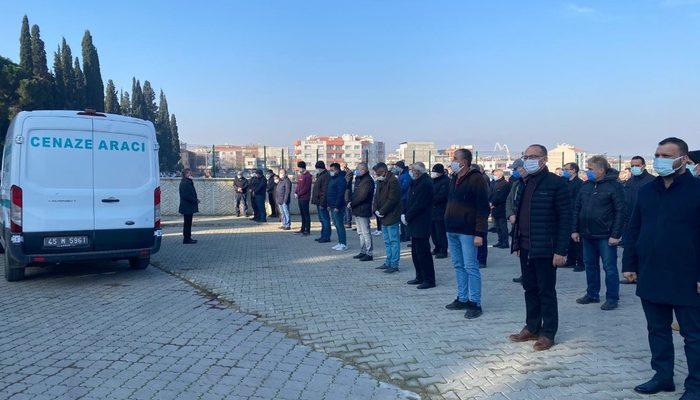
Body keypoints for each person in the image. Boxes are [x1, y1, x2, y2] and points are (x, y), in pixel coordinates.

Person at [622, 137, 700, 399]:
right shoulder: (646, 191)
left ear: (683, 159)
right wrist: (629, 263)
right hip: (651, 272)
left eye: (666, 156)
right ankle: (663, 376)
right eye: (657, 155)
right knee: (657, 329)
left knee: (693, 335)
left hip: (687, 275)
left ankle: (696, 385)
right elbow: (634, 228)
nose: (660, 160)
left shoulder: (697, 190)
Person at [508, 144, 571, 352]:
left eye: (533, 156)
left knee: (546, 291)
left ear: (544, 159)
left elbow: (565, 219)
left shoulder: (556, 183)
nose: (528, 160)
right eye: (526, 156)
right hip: (526, 246)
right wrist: (516, 242)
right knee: (530, 288)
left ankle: (548, 332)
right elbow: (520, 215)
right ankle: (532, 326)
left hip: (546, 247)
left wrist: (561, 250)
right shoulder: (524, 182)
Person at [571, 156, 627, 311]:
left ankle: (612, 298)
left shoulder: (614, 186)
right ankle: (592, 294)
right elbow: (577, 209)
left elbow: (621, 211)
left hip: (606, 235)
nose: (587, 172)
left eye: (590, 169)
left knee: (609, 267)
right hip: (587, 234)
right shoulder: (586, 186)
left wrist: (615, 234)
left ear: (601, 170)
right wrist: (575, 229)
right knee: (590, 265)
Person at [444, 149, 490, 319]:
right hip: (452, 229)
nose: (452, 161)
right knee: (458, 265)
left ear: (464, 162)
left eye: (455, 158)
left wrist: (480, 232)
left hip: (468, 231)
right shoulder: (454, 177)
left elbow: (482, 207)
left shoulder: (476, 178)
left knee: (471, 266)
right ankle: (462, 298)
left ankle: (475, 302)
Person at [402, 162, 436, 289]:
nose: (410, 172)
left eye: (412, 170)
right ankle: (419, 276)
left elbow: (419, 204)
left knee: (423, 252)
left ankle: (429, 279)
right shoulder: (415, 182)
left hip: (421, 221)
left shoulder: (425, 183)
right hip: (414, 221)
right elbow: (410, 200)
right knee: (415, 252)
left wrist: (408, 216)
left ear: (418, 171)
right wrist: (405, 214)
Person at [373, 163, 402, 273]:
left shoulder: (393, 181)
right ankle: (388, 261)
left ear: (384, 171)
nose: (377, 176)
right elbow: (376, 196)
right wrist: (375, 209)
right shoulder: (380, 181)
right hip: (382, 215)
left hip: (391, 215)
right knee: (387, 241)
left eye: (378, 174)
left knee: (393, 240)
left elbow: (392, 200)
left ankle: (394, 264)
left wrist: (382, 211)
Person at [350, 163, 375, 261]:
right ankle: (363, 251)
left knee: (366, 232)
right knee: (360, 232)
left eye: (358, 169)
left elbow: (362, 196)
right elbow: (355, 193)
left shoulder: (367, 181)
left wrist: (352, 204)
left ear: (363, 170)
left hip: (363, 209)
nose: (356, 171)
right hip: (357, 209)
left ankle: (369, 253)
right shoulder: (359, 179)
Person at [506, 159, 526, 283]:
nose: (513, 172)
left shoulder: (529, 183)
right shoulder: (516, 183)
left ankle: (528, 275)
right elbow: (509, 200)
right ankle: (524, 273)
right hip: (516, 222)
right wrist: (510, 214)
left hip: (527, 222)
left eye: (515, 169)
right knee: (520, 249)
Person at [562, 162, 584, 271]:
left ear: (574, 170)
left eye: (567, 169)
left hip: (575, 214)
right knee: (569, 239)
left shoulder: (579, 183)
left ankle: (580, 262)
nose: (564, 171)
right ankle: (570, 260)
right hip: (566, 214)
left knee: (577, 240)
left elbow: (577, 201)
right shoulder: (565, 182)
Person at [326, 163, 348, 251]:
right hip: (332, 205)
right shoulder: (333, 179)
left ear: (337, 170)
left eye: (332, 170)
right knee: (336, 224)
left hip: (337, 206)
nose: (330, 172)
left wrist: (337, 206)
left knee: (340, 225)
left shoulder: (341, 179)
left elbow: (340, 194)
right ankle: (340, 242)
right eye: (330, 170)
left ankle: (343, 244)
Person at [430, 164, 449, 259]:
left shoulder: (445, 181)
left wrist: (430, 199)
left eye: (435, 172)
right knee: (433, 232)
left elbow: (443, 196)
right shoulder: (433, 180)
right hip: (432, 211)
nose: (433, 173)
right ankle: (437, 247)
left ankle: (443, 250)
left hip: (441, 210)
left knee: (440, 232)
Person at [489, 169, 511, 249]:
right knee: (497, 227)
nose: (493, 176)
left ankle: (505, 243)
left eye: (495, 174)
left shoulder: (505, 184)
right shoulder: (495, 183)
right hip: (495, 209)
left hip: (501, 209)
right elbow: (492, 194)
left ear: (500, 175)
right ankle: (500, 241)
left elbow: (501, 197)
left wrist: (493, 203)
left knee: (503, 227)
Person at [474, 164, 490, 268]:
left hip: (480, 216)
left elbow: (483, 203)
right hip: (473, 216)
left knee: (481, 239)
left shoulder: (481, 181)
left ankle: (481, 260)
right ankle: (478, 259)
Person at [311, 161, 331, 243]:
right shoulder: (320, 175)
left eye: (317, 168)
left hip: (322, 202)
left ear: (320, 168)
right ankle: (323, 236)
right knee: (322, 220)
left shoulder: (325, 176)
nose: (316, 170)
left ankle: (326, 237)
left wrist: (322, 203)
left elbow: (324, 191)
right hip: (318, 201)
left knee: (325, 220)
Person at [179, 168, 199, 244]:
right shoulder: (185, 182)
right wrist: (195, 200)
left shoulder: (187, 182)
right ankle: (187, 239)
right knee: (187, 223)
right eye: (189, 173)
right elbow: (186, 195)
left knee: (188, 223)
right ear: (186, 174)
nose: (191, 174)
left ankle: (188, 237)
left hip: (188, 206)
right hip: (187, 206)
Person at [395, 161, 412, 242]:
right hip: (403, 198)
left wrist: (397, 191)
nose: (395, 168)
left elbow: (403, 187)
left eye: (396, 166)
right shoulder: (402, 174)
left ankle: (406, 235)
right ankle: (404, 234)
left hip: (404, 199)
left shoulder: (405, 176)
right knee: (402, 218)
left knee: (403, 217)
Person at [294, 161, 312, 236]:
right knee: (302, 214)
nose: (298, 169)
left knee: (306, 214)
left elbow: (306, 188)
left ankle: (307, 230)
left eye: (299, 168)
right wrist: (295, 192)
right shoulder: (301, 175)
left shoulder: (308, 176)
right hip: (300, 197)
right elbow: (298, 185)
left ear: (302, 167)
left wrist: (299, 194)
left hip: (305, 198)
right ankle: (302, 229)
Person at [343, 163, 354, 228]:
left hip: (347, 193)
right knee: (344, 208)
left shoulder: (349, 172)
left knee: (347, 208)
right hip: (343, 192)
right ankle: (344, 221)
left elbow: (346, 182)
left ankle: (348, 222)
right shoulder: (343, 172)